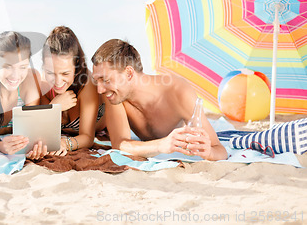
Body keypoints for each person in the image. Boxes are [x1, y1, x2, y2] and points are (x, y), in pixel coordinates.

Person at [91, 39, 227, 161]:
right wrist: (162, 145)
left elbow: (219, 150)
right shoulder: (115, 96)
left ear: (129, 73)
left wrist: (208, 153)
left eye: (106, 80)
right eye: (97, 81)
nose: (100, 90)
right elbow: (120, 144)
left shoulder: (177, 92)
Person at [0, 31, 45, 159]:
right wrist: (2, 146)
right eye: (8, 67)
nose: (15, 76)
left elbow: (31, 129)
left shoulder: (31, 77)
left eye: (22, 67)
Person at [40, 26, 106, 156]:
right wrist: (54, 107)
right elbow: (40, 130)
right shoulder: (43, 85)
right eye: (50, 73)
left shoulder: (87, 83)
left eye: (65, 73)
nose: (58, 82)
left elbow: (87, 137)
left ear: (76, 65)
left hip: (104, 129)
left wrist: (65, 143)